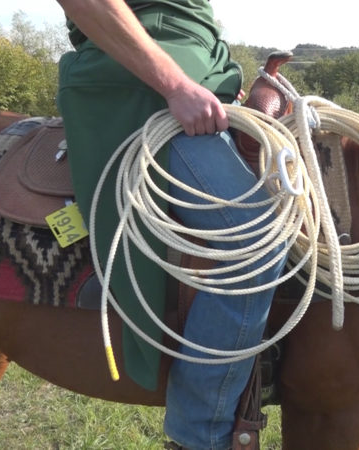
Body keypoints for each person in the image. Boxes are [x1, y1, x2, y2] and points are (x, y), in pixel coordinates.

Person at [54, 1, 287, 448]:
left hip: (205, 80)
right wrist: (177, 84)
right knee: (254, 233)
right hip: (138, 83)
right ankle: (197, 435)